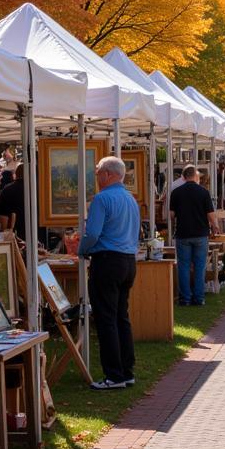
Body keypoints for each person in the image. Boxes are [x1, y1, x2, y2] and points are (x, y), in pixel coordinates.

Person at [79, 156, 140, 390]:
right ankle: (126, 370)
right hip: (127, 260)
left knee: (106, 318)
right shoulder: (129, 198)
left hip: (107, 260)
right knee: (121, 317)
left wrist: (82, 250)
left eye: (98, 173)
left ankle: (114, 375)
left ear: (109, 175)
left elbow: (92, 233)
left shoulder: (102, 199)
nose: (97, 177)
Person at [169, 165, 216, 308]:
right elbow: (210, 214)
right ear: (195, 176)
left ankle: (185, 299)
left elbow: (171, 215)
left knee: (183, 267)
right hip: (200, 233)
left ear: (183, 176)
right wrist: (215, 226)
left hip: (183, 233)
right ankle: (199, 298)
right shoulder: (203, 192)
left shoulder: (176, 192)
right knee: (200, 266)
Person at [0, 163, 26, 241]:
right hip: (40, 239)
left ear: (16, 174)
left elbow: (2, 221)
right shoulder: (40, 190)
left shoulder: (7, 190)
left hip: (16, 240)